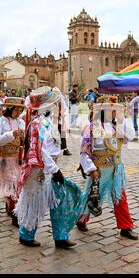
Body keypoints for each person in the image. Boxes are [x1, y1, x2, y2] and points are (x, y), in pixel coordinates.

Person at [15, 86, 85, 248]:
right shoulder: (39, 124)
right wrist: (55, 170)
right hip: (39, 171)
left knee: (58, 200)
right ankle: (26, 235)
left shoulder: (44, 122)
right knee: (34, 202)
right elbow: (41, 150)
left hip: (48, 169)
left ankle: (60, 236)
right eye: (55, 103)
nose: (58, 106)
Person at [76, 95, 138, 240]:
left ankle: (125, 226)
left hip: (116, 170)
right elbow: (85, 151)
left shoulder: (117, 126)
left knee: (120, 197)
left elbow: (130, 137)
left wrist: (123, 121)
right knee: (91, 195)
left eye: (115, 110)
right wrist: (91, 169)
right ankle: (80, 219)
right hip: (99, 171)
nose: (114, 113)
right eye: (111, 110)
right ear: (102, 111)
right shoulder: (95, 127)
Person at [0, 97, 25, 227]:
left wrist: (22, 137)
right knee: (10, 181)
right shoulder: (0, 121)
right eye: (16, 109)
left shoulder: (21, 122)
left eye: (20, 110)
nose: (18, 112)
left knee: (18, 182)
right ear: (10, 109)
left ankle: (13, 207)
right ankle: (14, 211)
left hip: (18, 156)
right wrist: (12, 134)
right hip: (5, 158)